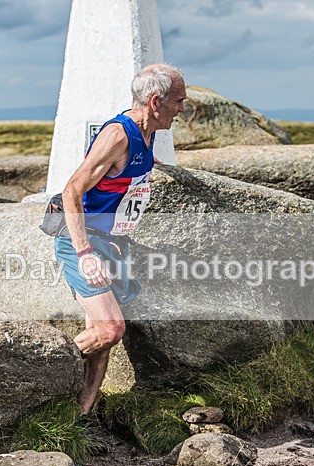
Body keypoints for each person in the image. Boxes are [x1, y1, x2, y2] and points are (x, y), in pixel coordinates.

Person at [56, 63, 186, 415]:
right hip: (82, 241)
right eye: (178, 101)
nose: (181, 109)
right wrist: (85, 253)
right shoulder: (118, 136)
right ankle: (39, 368)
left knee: (102, 344)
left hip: (112, 243)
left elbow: (134, 169)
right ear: (155, 102)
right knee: (111, 329)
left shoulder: (147, 133)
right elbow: (71, 191)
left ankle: (79, 416)